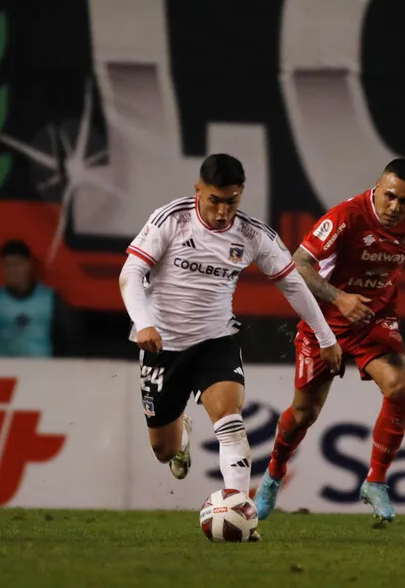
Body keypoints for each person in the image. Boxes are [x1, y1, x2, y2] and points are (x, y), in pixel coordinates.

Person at [254, 158, 405, 522]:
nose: (395, 207)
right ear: (376, 187)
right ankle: (273, 474)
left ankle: (375, 481)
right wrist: (340, 298)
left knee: (398, 385)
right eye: (390, 196)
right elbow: (298, 264)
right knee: (304, 414)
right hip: (325, 321)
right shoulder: (347, 216)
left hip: (374, 320)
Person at [118, 154, 342, 524]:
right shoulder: (170, 220)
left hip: (215, 340)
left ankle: (239, 514)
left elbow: (292, 284)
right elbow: (131, 273)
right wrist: (143, 323)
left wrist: (325, 336)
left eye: (232, 202)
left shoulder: (254, 234)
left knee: (230, 422)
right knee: (163, 448)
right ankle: (181, 438)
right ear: (198, 190)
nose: (223, 212)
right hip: (162, 344)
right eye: (215, 200)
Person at [0, 239, 83, 358]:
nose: (11, 270)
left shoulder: (49, 298)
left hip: (42, 370)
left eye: (17, 264)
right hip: (3, 370)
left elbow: (69, 339)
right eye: (6, 265)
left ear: (28, 265)